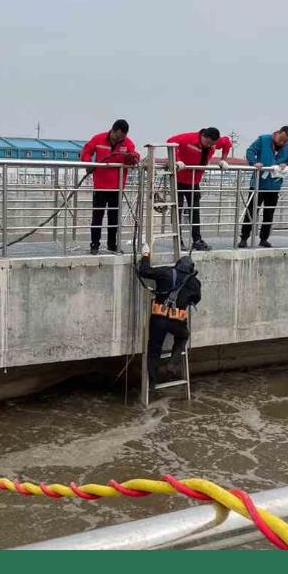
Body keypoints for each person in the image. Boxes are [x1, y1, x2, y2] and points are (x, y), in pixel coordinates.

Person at [138, 243, 202, 383]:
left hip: (158, 320)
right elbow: (196, 299)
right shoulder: (194, 282)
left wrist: (146, 255)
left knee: (154, 350)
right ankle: (172, 364)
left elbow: (144, 271)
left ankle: (152, 382)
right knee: (183, 336)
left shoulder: (166, 273)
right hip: (177, 322)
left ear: (177, 265)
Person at [167, 128, 232, 251]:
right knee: (177, 210)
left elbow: (227, 143)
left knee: (195, 210)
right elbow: (170, 141)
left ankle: (197, 240)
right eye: (207, 143)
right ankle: (178, 240)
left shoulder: (215, 142)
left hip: (194, 181)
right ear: (203, 136)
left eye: (212, 144)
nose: (209, 146)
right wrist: (177, 160)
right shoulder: (189, 138)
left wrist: (223, 159)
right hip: (179, 179)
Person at [81, 119, 139, 254]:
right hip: (100, 187)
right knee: (97, 217)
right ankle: (94, 245)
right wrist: (88, 164)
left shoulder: (128, 143)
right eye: (117, 137)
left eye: (122, 138)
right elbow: (86, 151)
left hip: (117, 188)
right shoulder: (98, 139)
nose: (118, 140)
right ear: (113, 131)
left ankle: (112, 245)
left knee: (114, 218)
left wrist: (133, 157)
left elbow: (134, 157)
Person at [239, 126, 288, 248]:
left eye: (285, 141)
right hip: (258, 184)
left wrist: (285, 164)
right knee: (251, 211)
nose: (282, 142)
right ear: (277, 133)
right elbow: (250, 151)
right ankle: (244, 237)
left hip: (274, 185)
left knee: (269, 213)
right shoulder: (263, 139)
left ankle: (264, 239)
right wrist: (254, 162)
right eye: (281, 139)